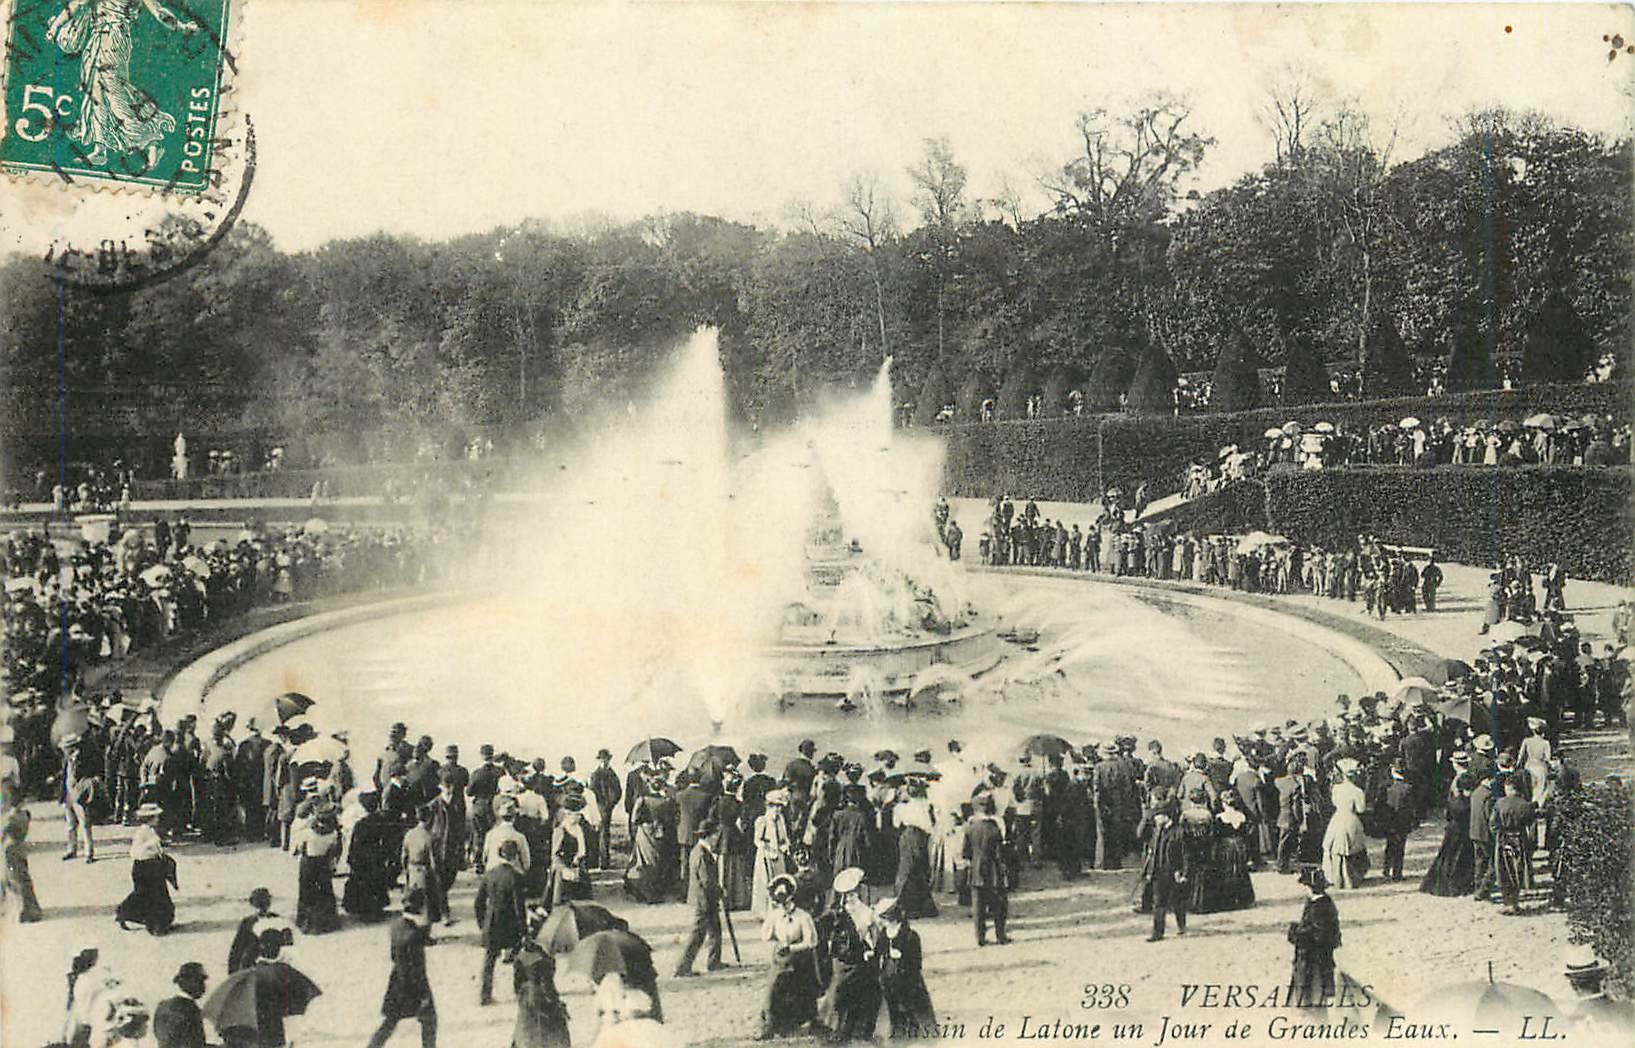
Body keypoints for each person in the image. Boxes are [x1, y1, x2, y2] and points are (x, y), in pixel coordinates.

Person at [365, 888, 438, 1048]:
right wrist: (424, 996)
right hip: (414, 986)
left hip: (397, 982)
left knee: (390, 1021)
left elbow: (393, 955)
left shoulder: (396, 926)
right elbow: (418, 969)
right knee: (430, 1019)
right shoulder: (414, 935)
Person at [821, 866, 883, 1042]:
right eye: (848, 894)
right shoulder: (837, 915)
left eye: (853, 893)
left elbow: (874, 934)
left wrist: (871, 950)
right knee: (840, 991)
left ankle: (861, 1027)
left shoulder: (866, 911)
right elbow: (832, 940)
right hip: (844, 959)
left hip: (861, 959)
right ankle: (837, 1027)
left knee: (868, 990)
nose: (851, 897)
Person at [756, 874, 820, 1040]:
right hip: (780, 960)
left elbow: (811, 942)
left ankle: (801, 1022)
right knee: (772, 989)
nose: (783, 905)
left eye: (785, 900)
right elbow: (764, 936)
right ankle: (768, 1026)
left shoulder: (803, 916)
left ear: (792, 897)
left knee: (801, 992)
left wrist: (791, 947)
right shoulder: (775, 915)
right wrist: (772, 929)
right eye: (779, 901)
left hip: (800, 961)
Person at [477, 839, 529, 1006]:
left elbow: (478, 903)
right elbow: (519, 907)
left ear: (500, 854)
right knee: (518, 958)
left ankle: (485, 994)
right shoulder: (516, 877)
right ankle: (518, 990)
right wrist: (524, 931)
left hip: (492, 922)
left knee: (489, 960)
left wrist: (482, 923)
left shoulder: (489, 874)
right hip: (509, 923)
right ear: (514, 856)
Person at [875, 896, 936, 1038]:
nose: (883, 924)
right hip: (889, 976)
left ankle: (917, 1032)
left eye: (884, 920)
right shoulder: (884, 933)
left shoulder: (911, 936)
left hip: (908, 979)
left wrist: (902, 956)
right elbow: (880, 949)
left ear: (893, 918)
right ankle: (897, 1031)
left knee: (912, 1006)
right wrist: (874, 953)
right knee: (893, 1006)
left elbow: (917, 962)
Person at [674, 819, 727, 977]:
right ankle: (682, 967)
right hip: (703, 900)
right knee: (698, 935)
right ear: (709, 836)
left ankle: (714, 962)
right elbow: (707, 881)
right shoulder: (702, 854)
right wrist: (720, 891)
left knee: (715, 931)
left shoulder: (699, 850)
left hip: (706, 898)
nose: (717, 837)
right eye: (715, 834)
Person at [116, 802, 177, 935]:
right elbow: (135, 852)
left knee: (153, 895)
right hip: (145, 866)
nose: (158, 819)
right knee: (152, 896)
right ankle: (155, 925)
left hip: (151, 866)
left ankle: (158, 922)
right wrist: (152, 845)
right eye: (156, 817)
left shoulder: (149, 831)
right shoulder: (142, 833)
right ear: (150, 818)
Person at [1287, 867, 1341, 1007]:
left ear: (1310, 887)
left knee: (1311, 984)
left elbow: (1316, 933)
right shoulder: (1325, 902)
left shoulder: (1317, 906)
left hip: (1313, 956)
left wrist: (1295, 933)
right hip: (1322, 954)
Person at [1136, 807, 1189, 941]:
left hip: (1174, 872)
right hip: (1158, 871)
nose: (1155, 819)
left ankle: (1181, 925)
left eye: (1158, 816)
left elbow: (1185, 854)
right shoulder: (1156, 831)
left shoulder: (1179, 832)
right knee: (1159, 902)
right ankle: (1157, 932)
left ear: (1166, 816)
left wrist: (1183, 873)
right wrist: (1149, 872)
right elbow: (1152, 851)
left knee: (1178, 901)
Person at [963, 794, 1009, 946]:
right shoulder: (994, 828)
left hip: (976, 869)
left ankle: (980, 938)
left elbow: (966, 852)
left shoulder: (970, 828)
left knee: (977, 906)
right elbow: (999, 853)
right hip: (993, 870)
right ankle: (1000, 935)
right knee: (998, 904)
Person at [1420, 773, 1476, 897]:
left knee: (1447, 857)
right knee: (1460, 859)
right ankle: (1458, 885)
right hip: (1463, 831)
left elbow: (1448, 816)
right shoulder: (1468, 804)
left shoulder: (1453, 801)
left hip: (1452, 831)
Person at [511, 934, 572, 1048]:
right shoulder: (543, 960)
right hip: (541, 999)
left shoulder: (520, 957)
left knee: (526, 1031)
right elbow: (547, 987)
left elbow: (516, 984)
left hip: (526, 998)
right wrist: (558, 1005)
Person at [1321, 759, 1369, 889]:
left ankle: (1337, 878)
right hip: (1351, 819)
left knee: (1336, 848)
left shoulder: (1336, 789)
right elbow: (1361, 809)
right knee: (1353, 848)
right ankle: (1351, 877)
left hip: (1337, 818)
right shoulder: (1358, 791)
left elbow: (1334, 803)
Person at [294, 807, 342, 934]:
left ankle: (306, 921)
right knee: (324, 893)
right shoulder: (333, 834)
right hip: (323, 863)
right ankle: (327, 922)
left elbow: (299, 848)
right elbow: (333, 851)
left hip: (309, 863)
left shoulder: (308, 832)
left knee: (307, 893)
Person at [1492, 778, 1536, 915]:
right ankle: (1515, 902)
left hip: (1503, 839)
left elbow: (1493, 824)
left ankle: (1507, 902)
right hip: (1519, 839)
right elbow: (1531, 824)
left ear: (1509, 788)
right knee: (1518, 870)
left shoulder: (1499, 803)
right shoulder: (1526, 805)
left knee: (1503, 870)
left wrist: (1499, 836)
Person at [2, 806, 44, 923]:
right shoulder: (22, 815)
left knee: (15, 881)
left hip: (10, 851)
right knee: (20, 880)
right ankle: (27, 909)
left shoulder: (10, 819)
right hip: (17, 849)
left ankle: (25, 911)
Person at [152, 962, 208, 1048]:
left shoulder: (162, 1006)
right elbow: (195, 1044)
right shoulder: (190, 1009)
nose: (204, 986)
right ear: (187, 981)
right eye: (200, 981)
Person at [228, 887, 277, 973]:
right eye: (260, 902)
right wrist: (233, 971)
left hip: (272, 962)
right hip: (252, 963)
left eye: (265, 901)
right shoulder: (248, 922)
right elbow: (237, 948)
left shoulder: (276, 919)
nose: (263, 906)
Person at [589, 748, 622, 869]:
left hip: (606, 808)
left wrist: (611, 804)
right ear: (599, 760)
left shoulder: (612, 774)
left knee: (604, 834)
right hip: (598, 806)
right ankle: (597, 861)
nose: (604, 761)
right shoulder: (596, 774)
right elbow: (592, 791)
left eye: (606, 759)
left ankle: (604, 862)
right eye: (602, 759)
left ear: (609, 760)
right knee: (599, 833)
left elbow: (618, 791)